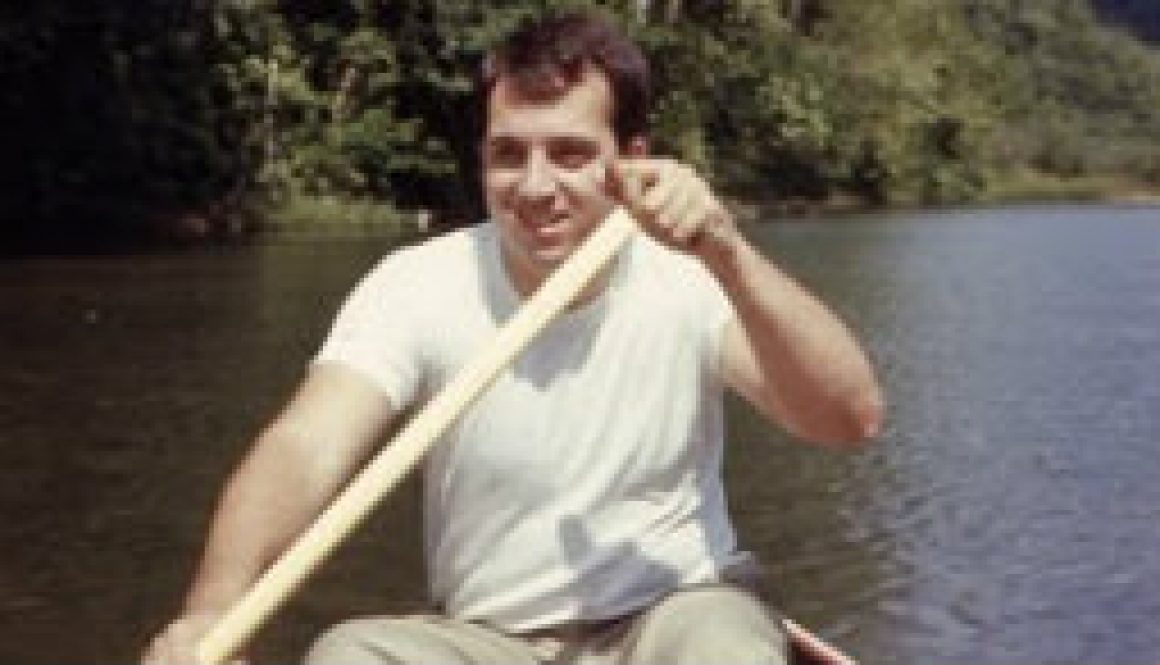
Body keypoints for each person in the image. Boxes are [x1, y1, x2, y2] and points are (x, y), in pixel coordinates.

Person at [142, 11, 883, 665]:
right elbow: (304, 449)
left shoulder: (691, 276)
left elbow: (849, 417)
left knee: (719, 647)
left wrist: (727, 248)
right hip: (492, 641)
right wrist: (215, 610)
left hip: (672, 617)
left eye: (569, 153)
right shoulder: (418, 283)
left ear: (630, 155)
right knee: (349, 653)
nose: (534, 187)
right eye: (508, 153)